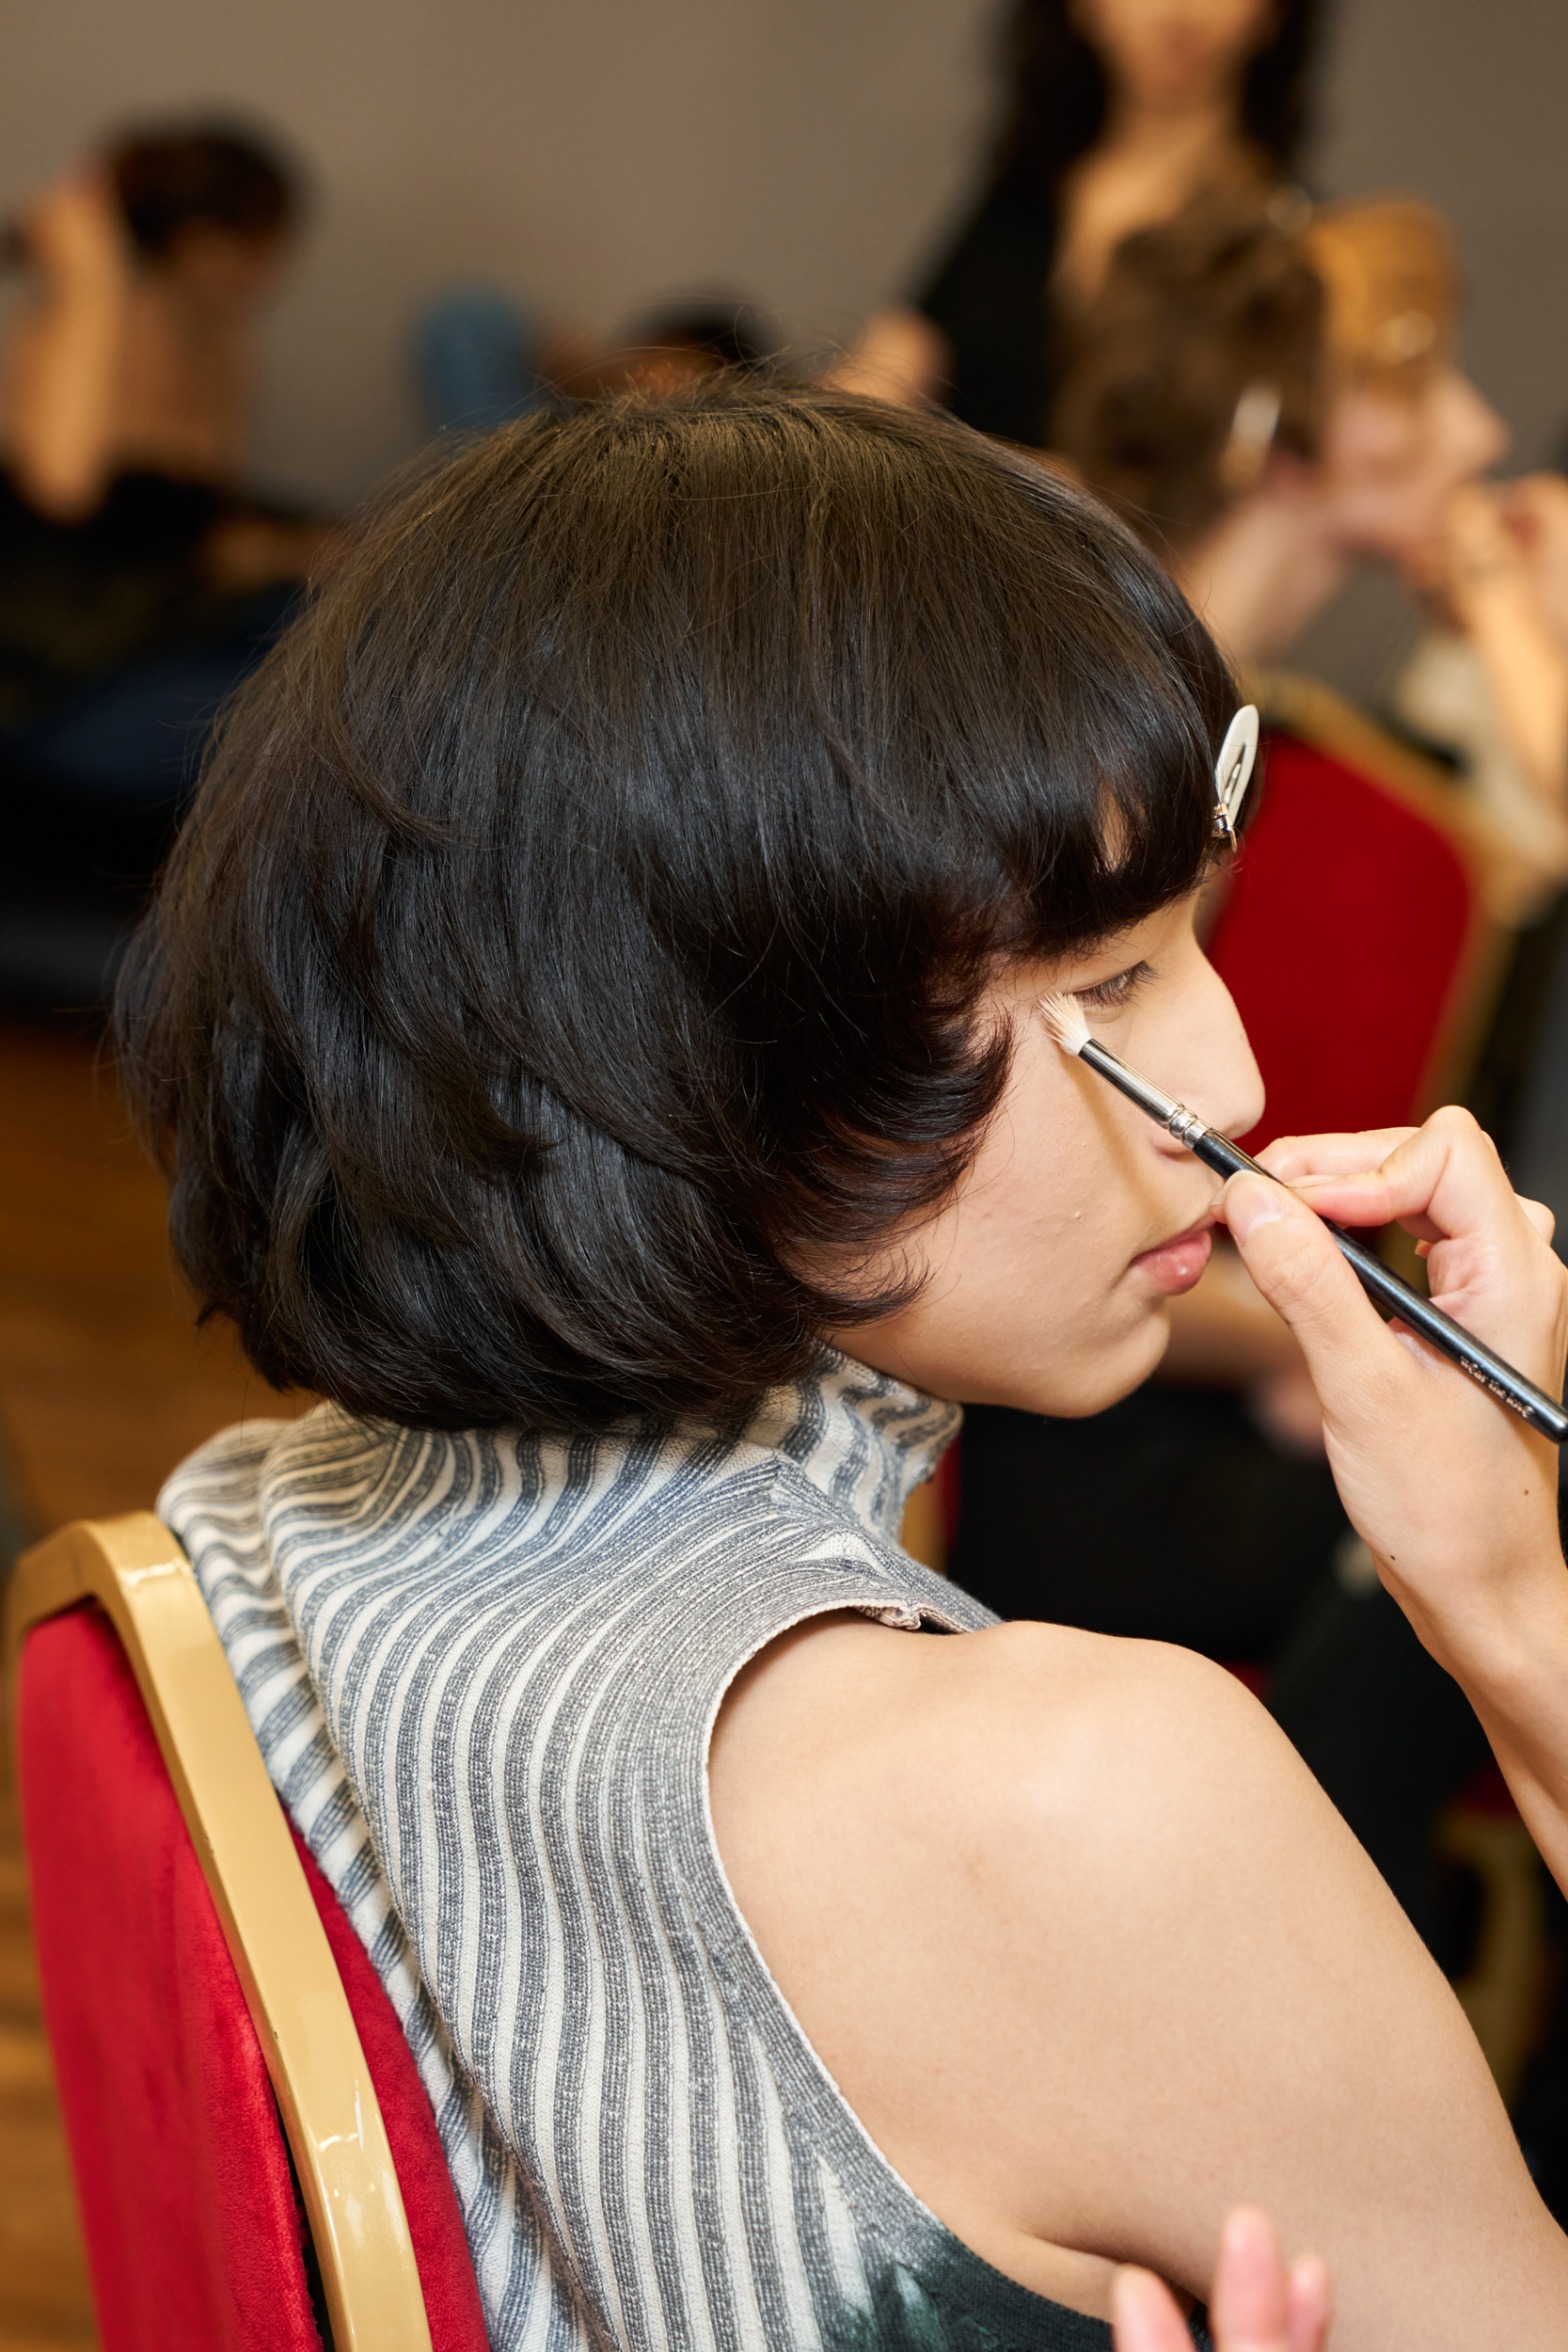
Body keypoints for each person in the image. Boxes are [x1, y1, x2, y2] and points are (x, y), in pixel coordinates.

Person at [116, 381, 1568, 2345]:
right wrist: (1512, 1618)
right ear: (695, 1054)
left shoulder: (246, 1526)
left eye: (1186, 935)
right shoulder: (1097, 1804)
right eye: (1107, 985)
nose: (1223, 1076)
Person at [0, 119, 322, 807]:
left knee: (349, 644)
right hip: (58, 677)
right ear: (193, 241)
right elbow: (64, 485)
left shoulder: (227, 343)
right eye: (255, 245)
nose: (272, 271)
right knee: (297, 725)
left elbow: (198, 522)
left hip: (153, 636)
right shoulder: (82, 321)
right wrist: (90, 275)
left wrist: (296, 550)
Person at [832, 0, 1323, 441]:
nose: (1178, 11)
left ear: (1276, 13)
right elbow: (896, 356)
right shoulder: (1020, 201)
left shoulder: (1292, 239)